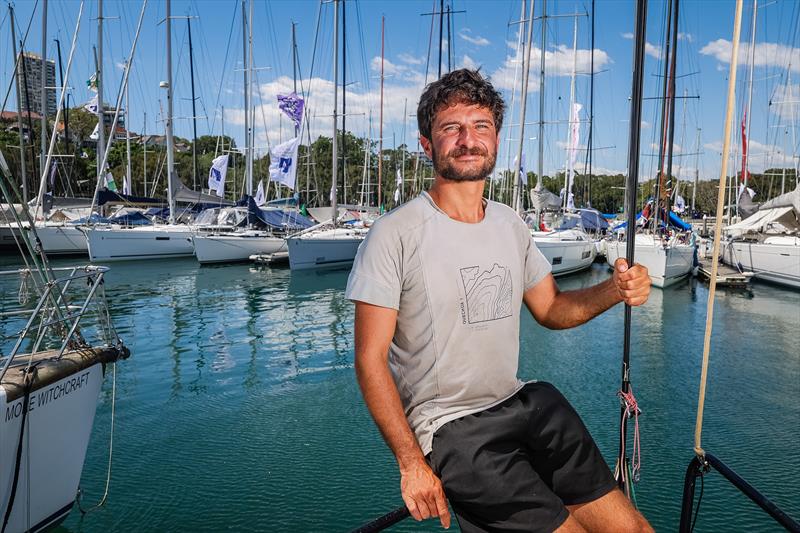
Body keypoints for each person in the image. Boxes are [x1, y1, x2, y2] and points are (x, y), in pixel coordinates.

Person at [346, 69, 653, 532]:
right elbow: (370, 361)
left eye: (481, 126)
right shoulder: (394, 235)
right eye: (452, 127)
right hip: (454, 431)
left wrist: (614, 290)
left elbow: (551, 309)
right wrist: (411, 464)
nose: (468, 139)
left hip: (526, 402)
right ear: (427, 145)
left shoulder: (510, 224)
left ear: (496, 139)